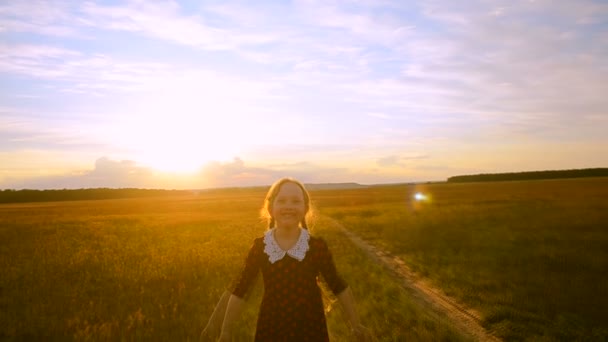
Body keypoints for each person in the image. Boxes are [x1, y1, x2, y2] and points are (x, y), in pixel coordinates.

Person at [201, 177, 372, 341]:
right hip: (271, 329)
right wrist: (226, 330)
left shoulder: (316, 246)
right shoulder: (261, 247)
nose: (288, 206)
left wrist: (356, 324)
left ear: (305, 208)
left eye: (295, 201)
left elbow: (338, 285)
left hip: (311, 329)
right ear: (270, 208)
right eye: (282, 201)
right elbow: (240, 289)